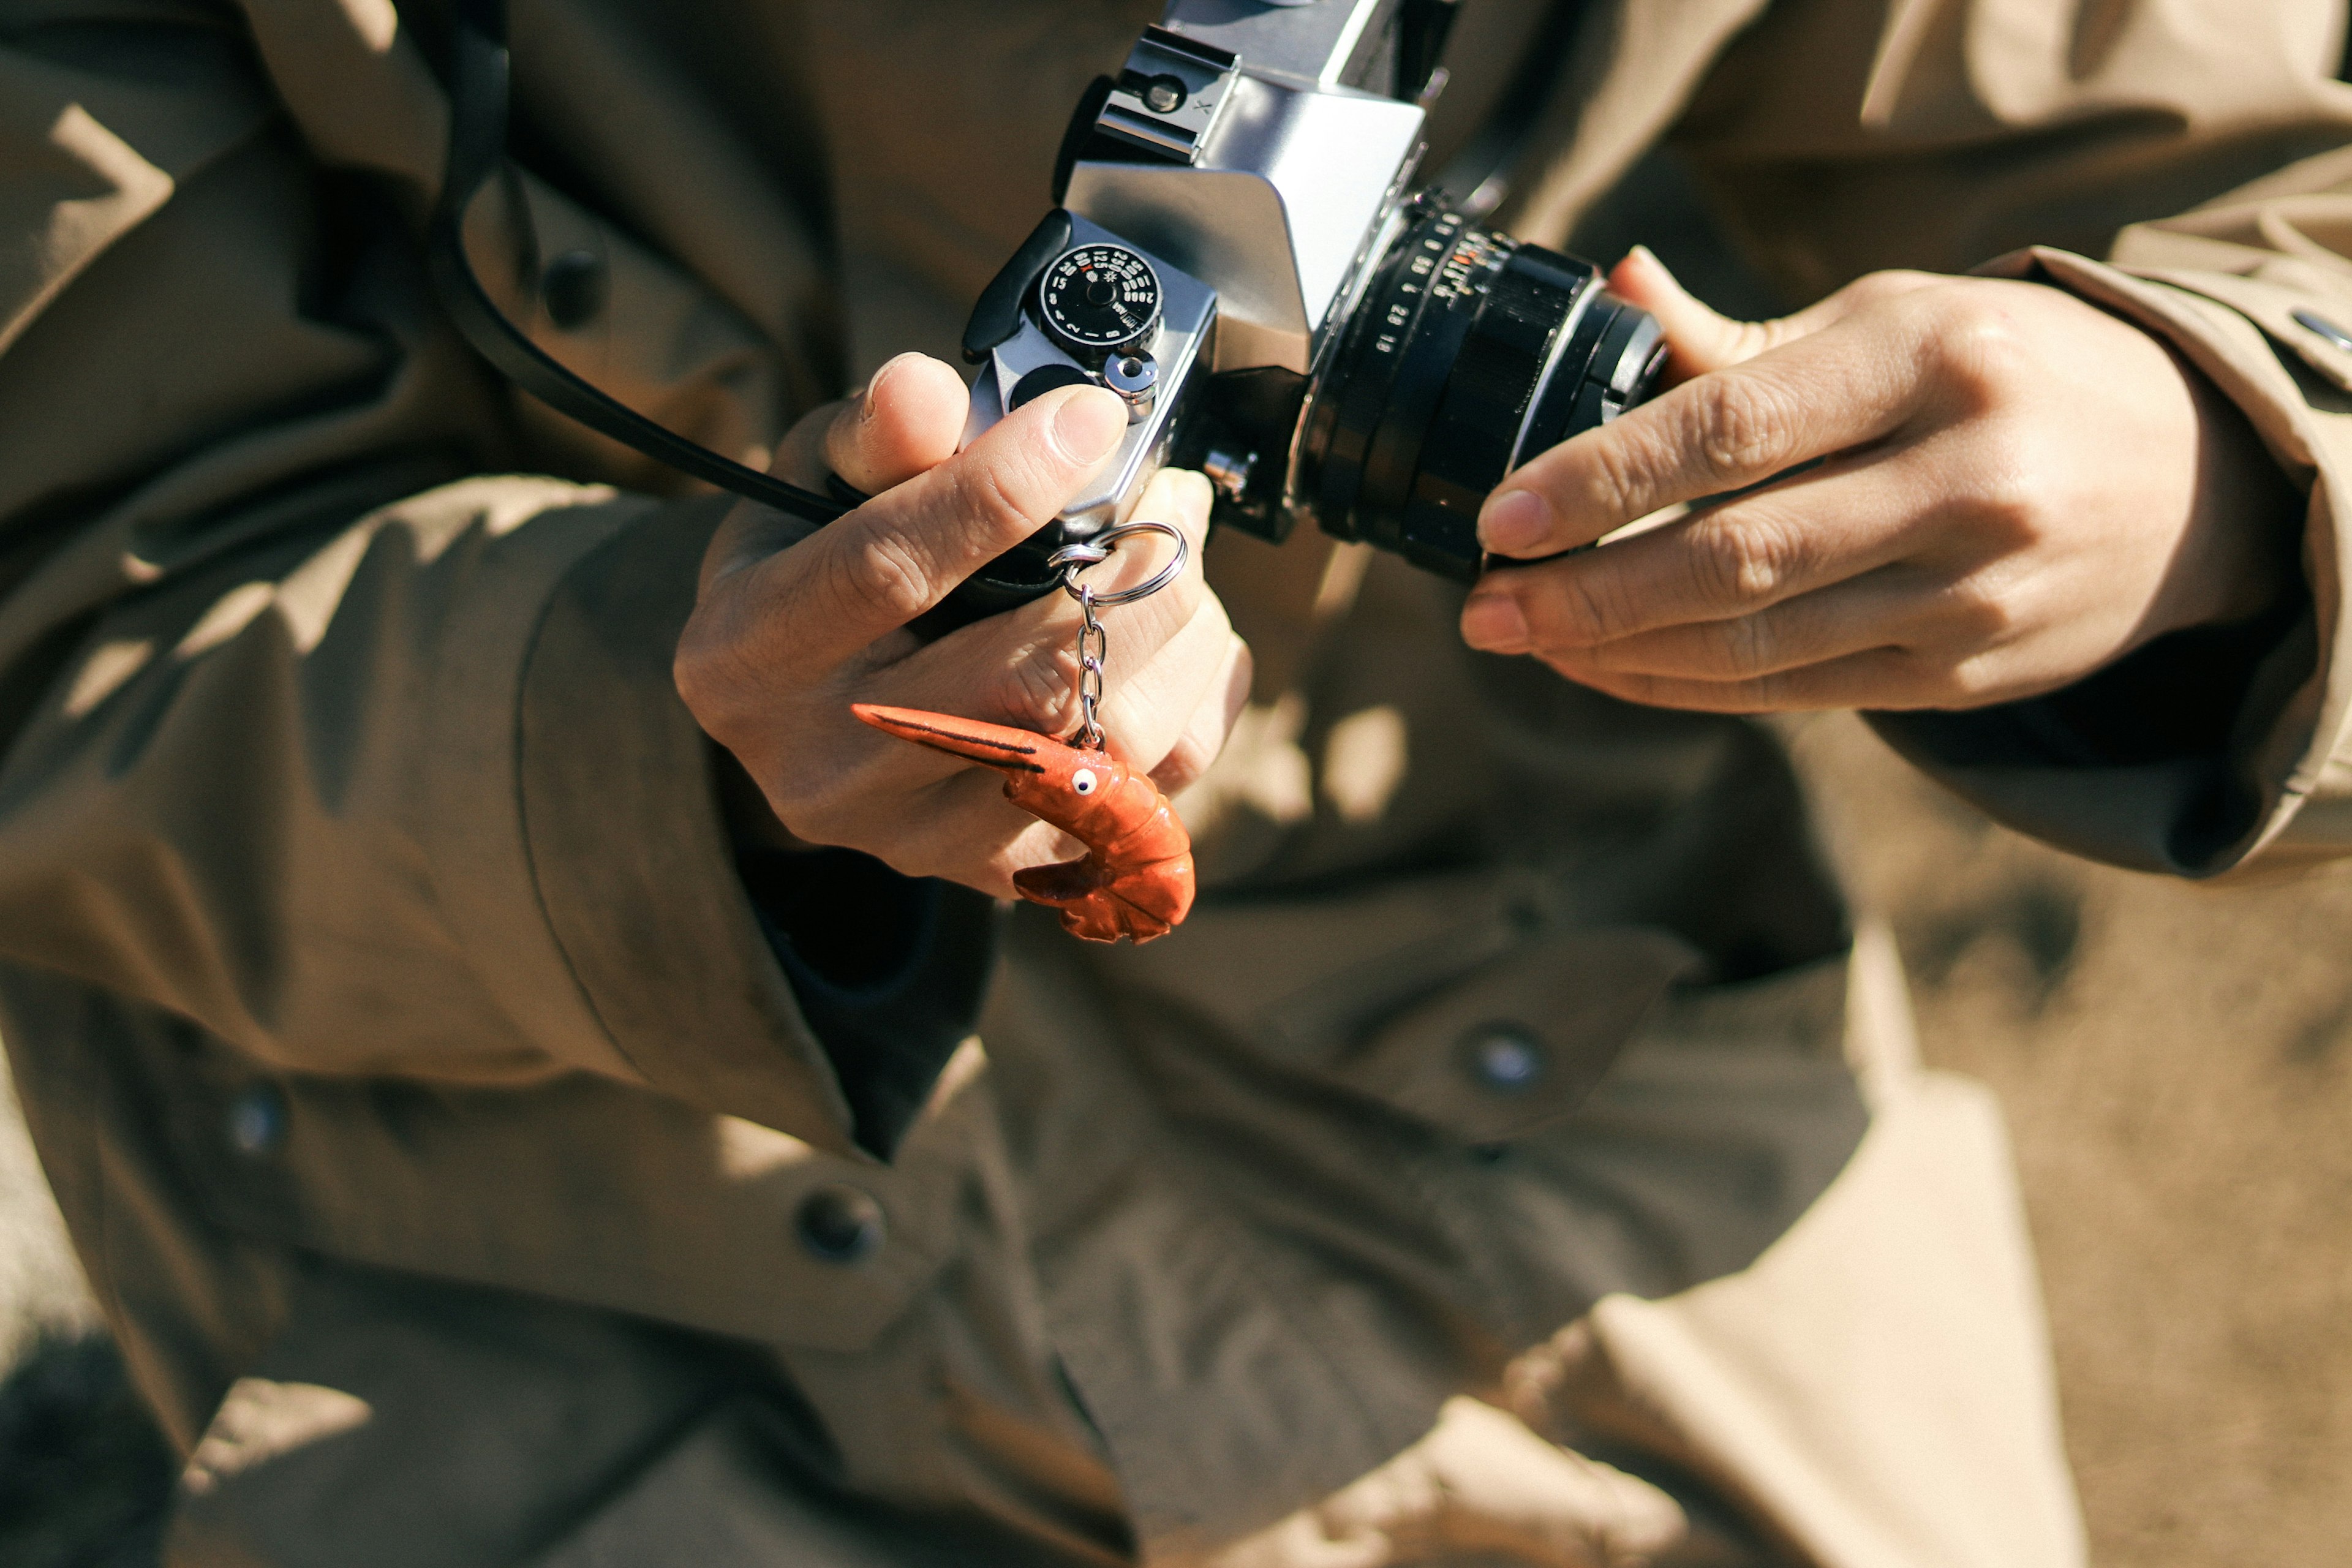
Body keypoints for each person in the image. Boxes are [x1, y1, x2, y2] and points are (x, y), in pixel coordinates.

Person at [1, 0, 2346, 1562]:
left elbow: (2286, 179)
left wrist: (2212, 448)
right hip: (568, 1237)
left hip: (1564, 1066)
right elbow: (76, 629)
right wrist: (677, 745)